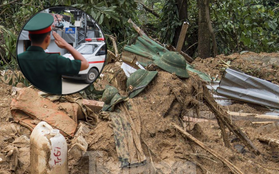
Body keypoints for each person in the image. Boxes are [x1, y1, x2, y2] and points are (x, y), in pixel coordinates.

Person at [18, 13, 89, 94]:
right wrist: (67, 45)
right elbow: (85, 64)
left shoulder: (20, 58)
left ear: (29, 37)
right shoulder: (55, 60)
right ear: (48, 38)